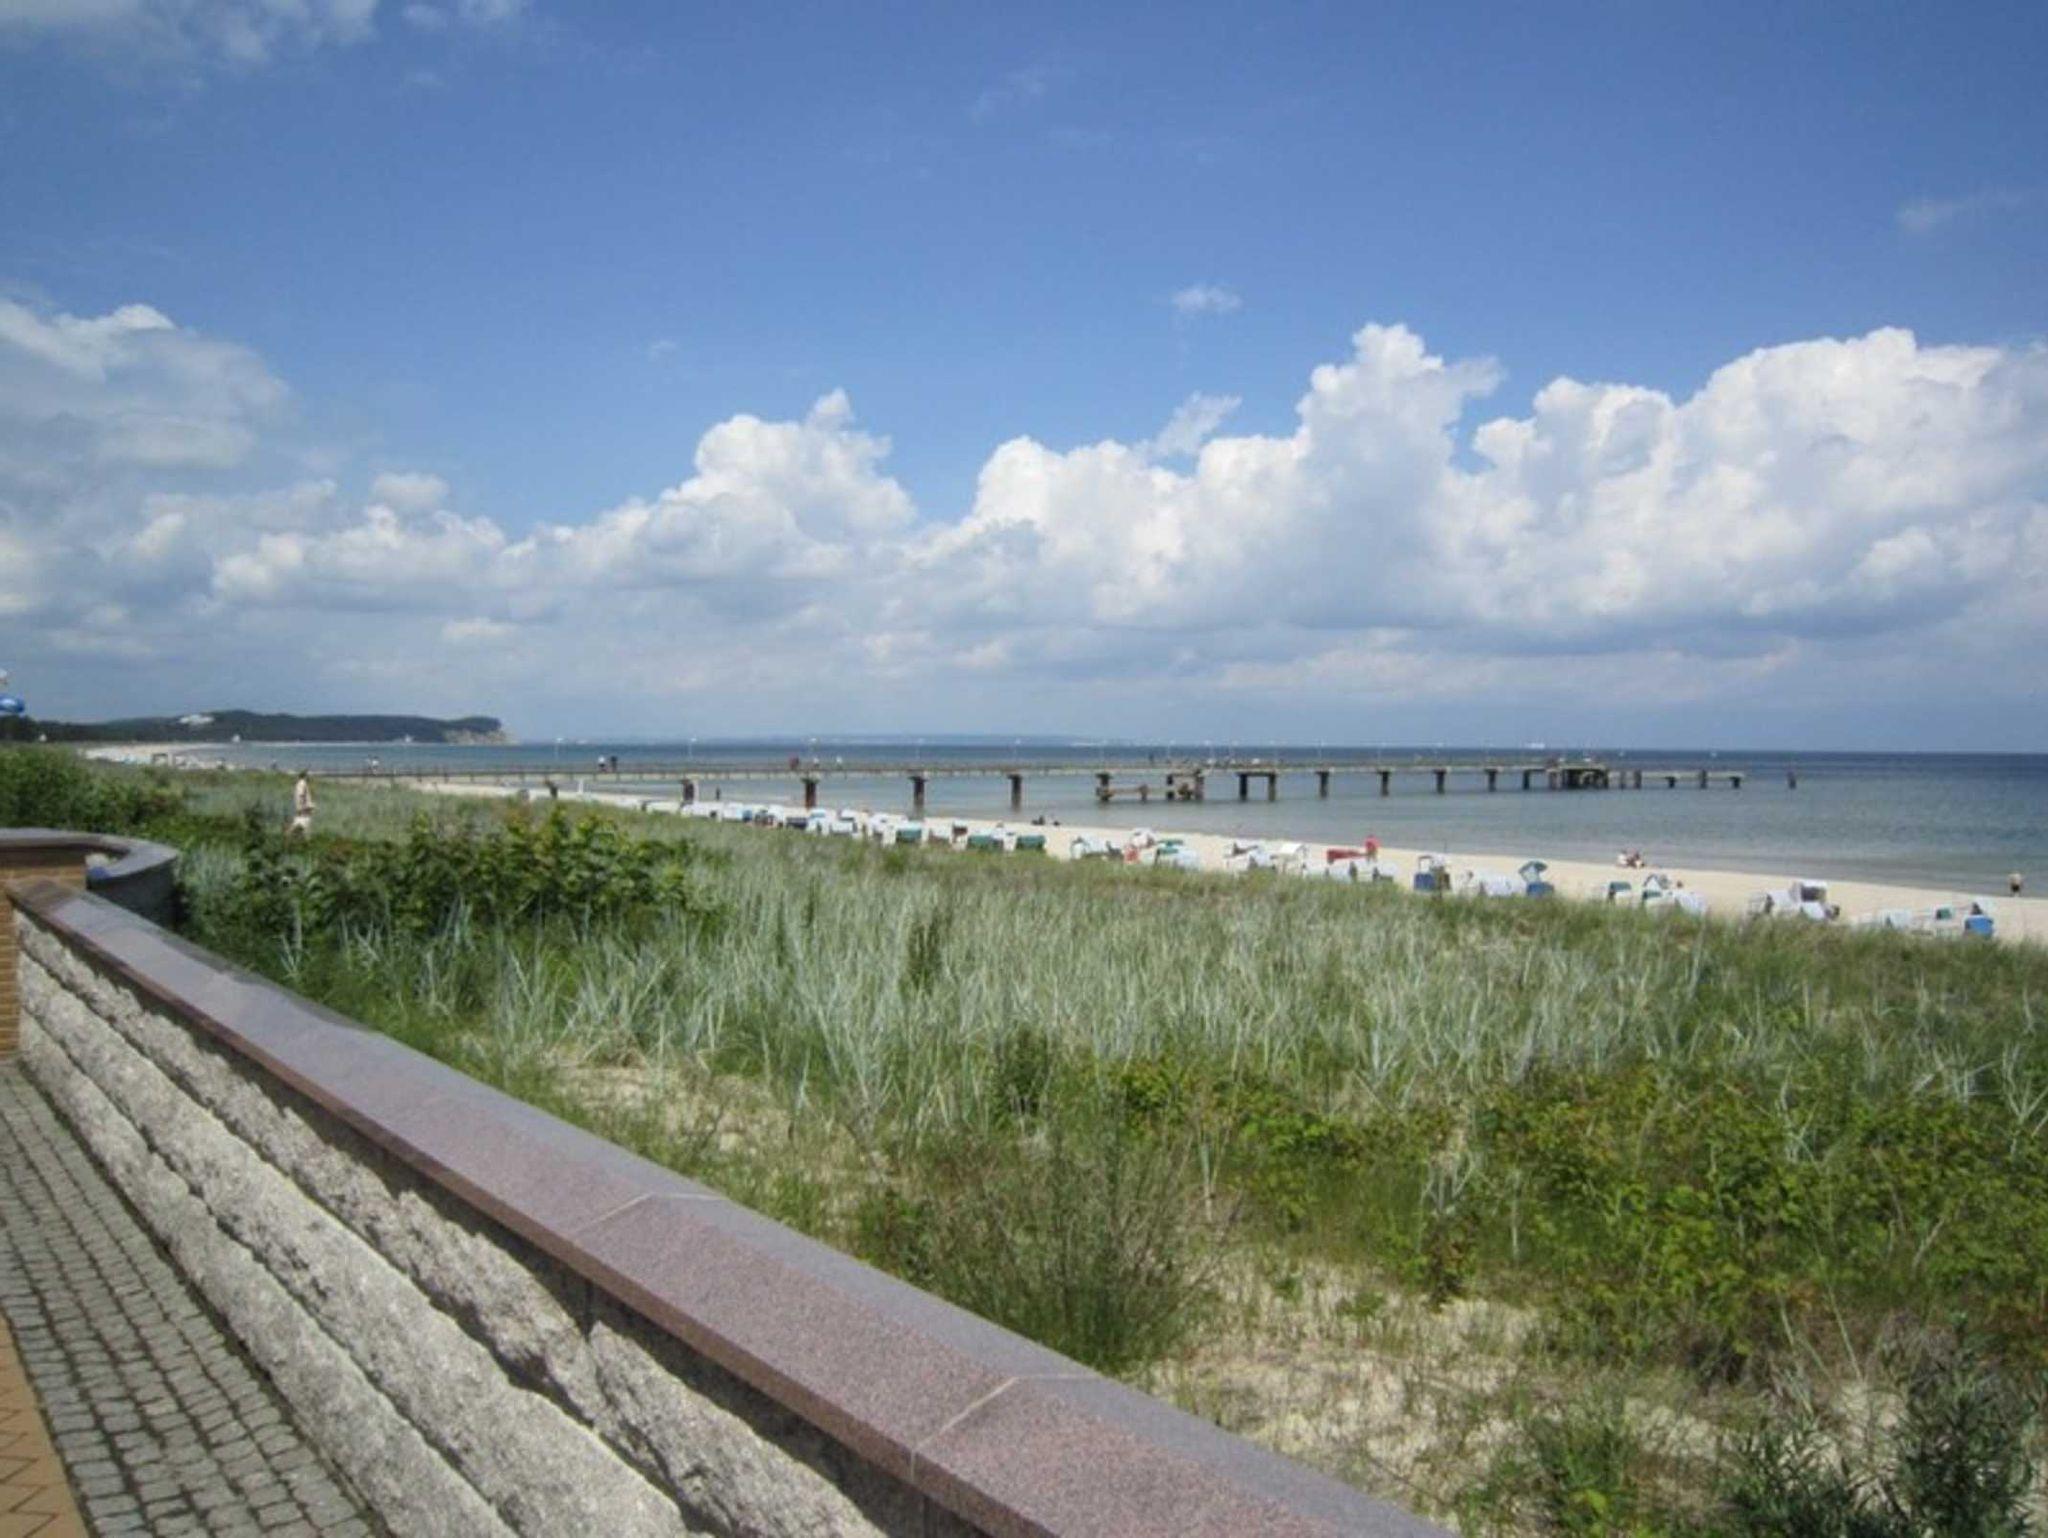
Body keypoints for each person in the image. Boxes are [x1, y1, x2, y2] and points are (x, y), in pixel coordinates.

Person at [288, 772, 315, 838]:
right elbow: (301, 795)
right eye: (308, 776)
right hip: (304, 807)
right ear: (305, 776)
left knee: (301, 821)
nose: (310, 777)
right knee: (303, 821)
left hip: (302, 807)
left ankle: (297, 835)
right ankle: (302, 836)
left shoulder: (300, 783)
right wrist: (303, 806)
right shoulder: (302, 783)